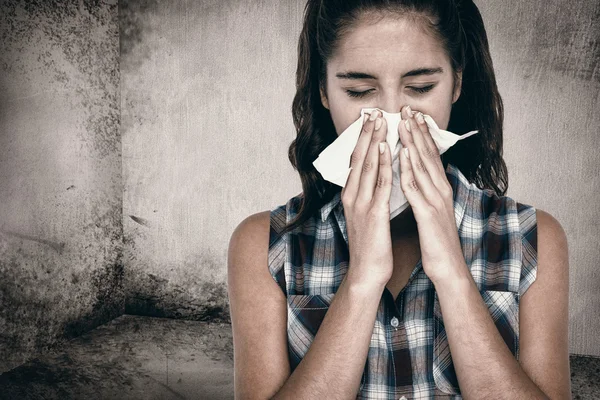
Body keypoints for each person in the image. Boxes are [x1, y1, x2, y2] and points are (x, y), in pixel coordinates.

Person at [227, 0, 571, 398]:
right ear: (323, 91)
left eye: (421, 87)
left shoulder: (532, 239)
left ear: (457, 83)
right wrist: (362, 279)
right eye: (358, 91)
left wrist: (452, 273)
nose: (392, 115)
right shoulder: (266, 246)